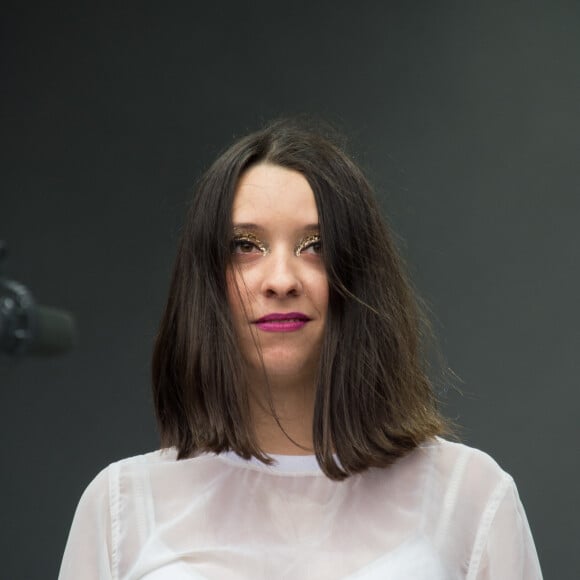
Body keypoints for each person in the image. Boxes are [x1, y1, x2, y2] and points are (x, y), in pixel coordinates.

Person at [59, 119, 542, 579]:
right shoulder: (121, 507)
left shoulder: (469, 496)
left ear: (360, 275)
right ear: (205, 281)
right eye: (246, 245)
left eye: (316, 245)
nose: (282, 280)